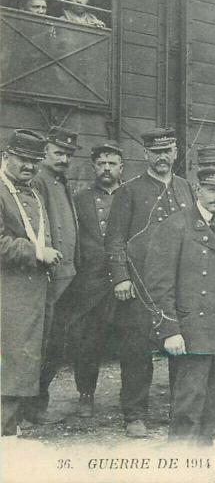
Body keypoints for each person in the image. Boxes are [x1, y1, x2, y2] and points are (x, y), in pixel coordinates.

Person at [144, 167, 215, 444]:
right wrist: (169, 329)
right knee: (189, 401)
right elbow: (159, 284)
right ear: (198, 190)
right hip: (192, 329)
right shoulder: (176, 225)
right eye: (212, 190)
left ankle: (202, 455)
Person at [105, 127, 194, 437]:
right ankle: (134, 414)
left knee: (180, 350)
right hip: (141, 285)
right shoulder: (128, 191)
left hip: (178, 286)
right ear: (146, 155)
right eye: (156, 153)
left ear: (176, 153)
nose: (162, 158)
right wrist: (121, 277)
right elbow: (115, 238)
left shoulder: (186, 188)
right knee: (136, 352)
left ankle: (180, 410)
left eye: (167, 151)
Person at [0, 129, 60, 437]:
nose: (29, 167)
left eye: (34, 162)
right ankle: (5, 428)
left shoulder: (33, 192)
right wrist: (37, 253)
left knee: (29, 356)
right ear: (6, 156)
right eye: (22, 160)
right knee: (11, 356)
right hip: (8, 291)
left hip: (36, 290)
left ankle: (15, 422)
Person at [63, 142, 124, 418]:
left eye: (112, 164)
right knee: (87, 341)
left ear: (121, 168)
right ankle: (85, 394)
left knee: (129, 339)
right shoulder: (80, 199)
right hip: (91, 283)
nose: (107, 169)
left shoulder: (130, 196)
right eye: (102, 164)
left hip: (124, 280)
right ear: (94, 167)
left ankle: (130, 395)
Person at [27, 127, 81, 425]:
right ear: (45, 152)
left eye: (68, 155)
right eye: (58, 152)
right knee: (42, 342)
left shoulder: (61, 181)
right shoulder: (38, 181)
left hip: (67, 274)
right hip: (49, 276)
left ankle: (36, 403)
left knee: (56, 343)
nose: (63, 159)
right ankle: (28, 407)